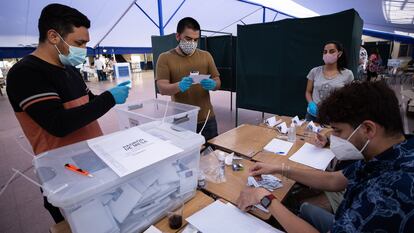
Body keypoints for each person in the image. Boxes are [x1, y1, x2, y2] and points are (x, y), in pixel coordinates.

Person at [6, 3, 130, 223]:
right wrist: (109, 99)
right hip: (65, 173)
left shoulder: (70, 70)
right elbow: (59, 124)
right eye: (79, 43)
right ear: (53, 36)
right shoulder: (26, 73)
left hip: (94, 162)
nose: (83, 49)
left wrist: (110, 95)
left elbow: (88, 103)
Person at [236, 81, 414, 233]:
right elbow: (334, 180)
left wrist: (265, 198)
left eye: (337, 130)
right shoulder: (389, 154)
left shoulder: (391, 193)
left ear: (368, 129)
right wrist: (279, 168)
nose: (333, 136)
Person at [156, 17, 221, 140]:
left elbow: (218, 81)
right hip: (182, 120)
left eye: (196, 40)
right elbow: (162, 88)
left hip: (207, 118)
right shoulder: (165, 58)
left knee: (211, 155)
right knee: (186, 157)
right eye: (188, 38)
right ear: (178, 36)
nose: (192, 43)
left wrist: (213, 84)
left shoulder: (206, 56)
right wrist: (178, 86)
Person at [305, 41, 354, 121]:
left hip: (334, 117)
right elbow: (308, 91)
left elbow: (349, 96)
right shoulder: (314, 71)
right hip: (313, 115)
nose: (328, 54)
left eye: (332, 51)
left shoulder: (348, 74)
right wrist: (311, 103)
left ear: (339, 54)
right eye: (325, 52)